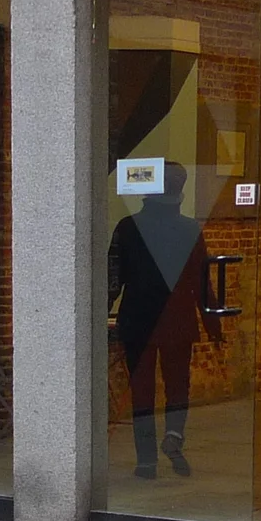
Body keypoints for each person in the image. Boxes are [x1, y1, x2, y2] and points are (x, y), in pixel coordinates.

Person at [107, 161, 214, 480]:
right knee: (178, 385)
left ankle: (146, 461)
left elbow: (114, 277)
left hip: (138, 319)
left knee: (142, 391)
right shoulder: (189, 228)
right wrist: (214, 324)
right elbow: (202, 281)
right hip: (178, 320)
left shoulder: (127, 227)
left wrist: (99, 311)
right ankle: (175, 436)